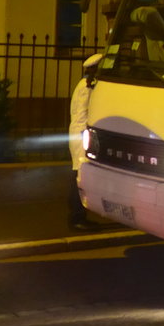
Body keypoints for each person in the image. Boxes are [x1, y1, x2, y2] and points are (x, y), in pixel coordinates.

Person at [68, 53, 104, 230]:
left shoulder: (83, 84)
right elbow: (85, 114)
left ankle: (78, 215)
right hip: (81, 134)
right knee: (79, 176)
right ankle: (77, 218)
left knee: (78, 174)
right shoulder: (87, 87)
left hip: (78, 132)